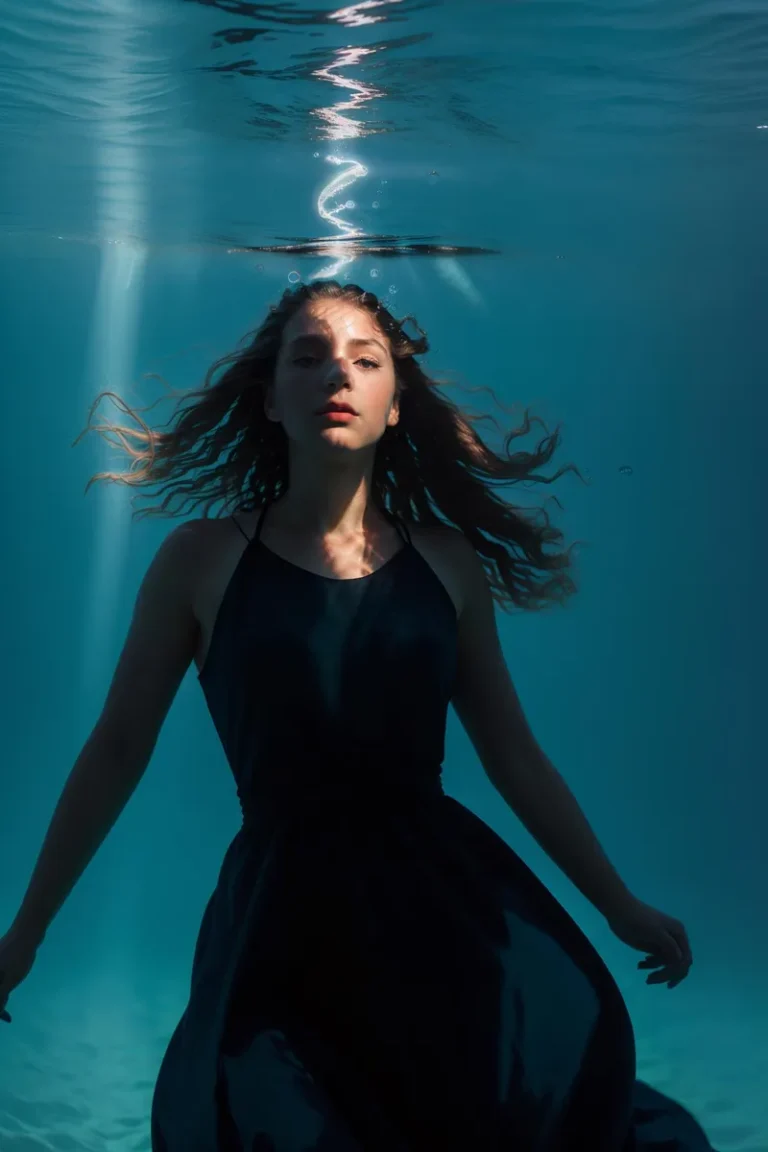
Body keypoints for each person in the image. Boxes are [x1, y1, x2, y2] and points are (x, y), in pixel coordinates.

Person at [0, 281, 715, 1151]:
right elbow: (116, 750)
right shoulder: (200, 560)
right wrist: (25, 934)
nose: (336, 374)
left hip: (440, 917)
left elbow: (515, 757)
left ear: (395, 405)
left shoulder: (448, 567)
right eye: (308, 357)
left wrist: (618, 904)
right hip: (278, 926)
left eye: (364, 361)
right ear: (268, 399)